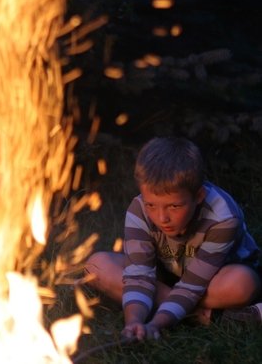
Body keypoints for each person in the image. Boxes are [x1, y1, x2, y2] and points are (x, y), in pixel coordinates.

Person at [84, 137, 262, 340]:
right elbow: (139, 274)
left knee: (242, 284)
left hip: (215, 279)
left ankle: (173, 310)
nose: (162, 218)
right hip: (167, 274)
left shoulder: (223, 217)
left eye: (174, 206)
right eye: (151, 205)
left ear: (198, 196)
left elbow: (192, 286)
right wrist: (134, 322)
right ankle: (211, 317)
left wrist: (156, 324)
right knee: (95, 266)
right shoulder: (139, 209)